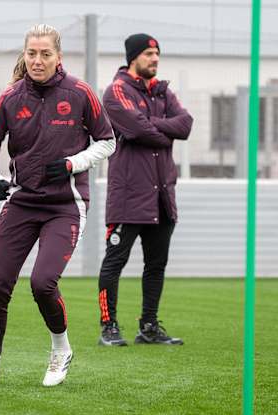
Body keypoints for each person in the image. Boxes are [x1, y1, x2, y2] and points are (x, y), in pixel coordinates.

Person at [0, 24, 116, 387]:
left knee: (42, 282)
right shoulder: (10, 97)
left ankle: (60, 351)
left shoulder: (80, 92)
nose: (37, 60)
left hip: (65, 205)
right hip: (21, 202)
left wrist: (72, 164)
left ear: (58, 57)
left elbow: (108, 141)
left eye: (45, 53)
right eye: (32, 53)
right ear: (25, 55)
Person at [97, 33, 193, 347]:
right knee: (115, 262)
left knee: (156, 264)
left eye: (157, 53)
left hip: (162, 196)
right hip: (129, 196)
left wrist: (153, 124)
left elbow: (186, 124)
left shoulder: (163, 92)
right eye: (149, 53)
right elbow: (136, 128)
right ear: (134, 57)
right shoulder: (116, 90)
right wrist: (162, 129)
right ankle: (108, 326)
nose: (155, 59)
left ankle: (149, 327)